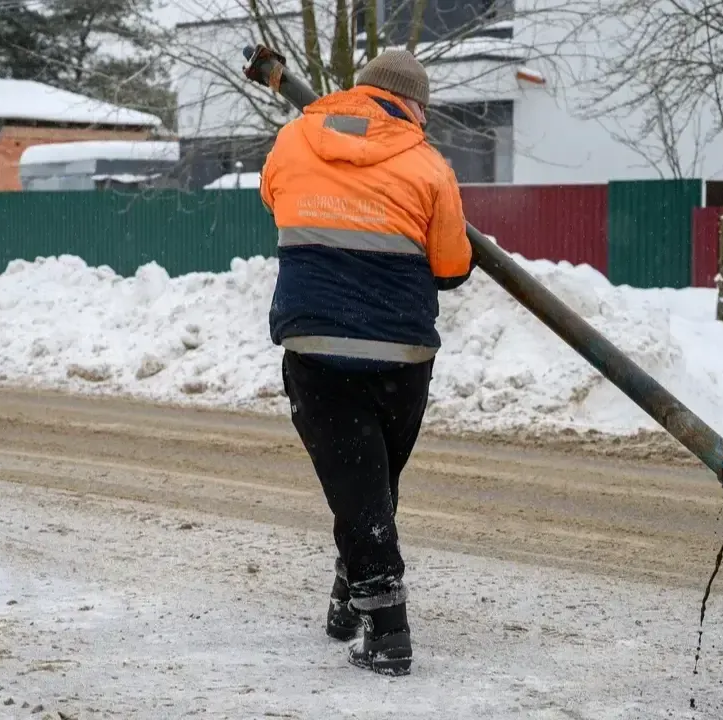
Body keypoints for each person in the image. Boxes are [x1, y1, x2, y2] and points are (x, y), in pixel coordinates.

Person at [258, 48, 476, 676]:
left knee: (362, 488)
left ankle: (381, 629)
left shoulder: (292, 140)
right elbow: (452, 269)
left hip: (317, 347)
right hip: (400, 356)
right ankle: (368, 616)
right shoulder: (428, 165)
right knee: (370, 487)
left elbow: (276, 203)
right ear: (413, 108)